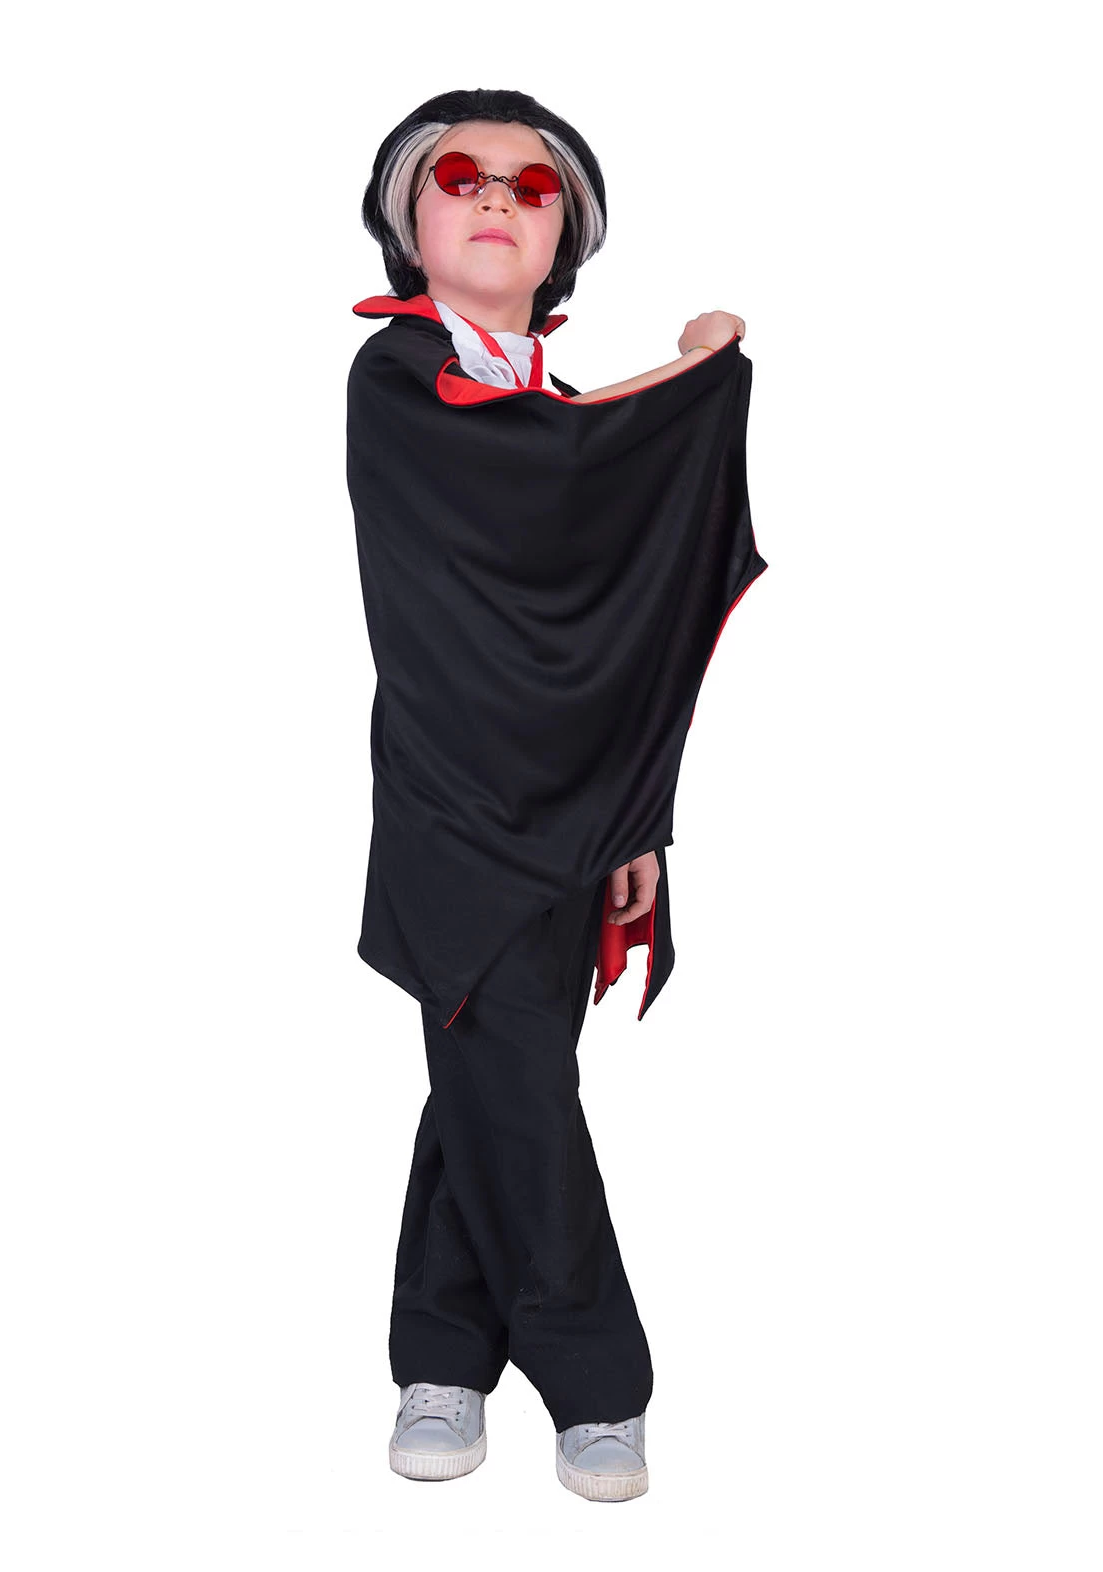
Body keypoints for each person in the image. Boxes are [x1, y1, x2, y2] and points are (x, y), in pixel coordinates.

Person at [347, 87, 763, 1504]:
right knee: (513, 1077)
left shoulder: (575, 417)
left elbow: (628, 639)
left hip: (579, 810)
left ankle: (441, 1357)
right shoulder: (404, 382)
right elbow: (542, 465)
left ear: (564, 235)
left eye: (530, 188)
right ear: (409, 222)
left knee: (485, 1082)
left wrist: (639, 818)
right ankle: (598, 1383)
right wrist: (696, 377)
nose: (495, 198)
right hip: (453, 808)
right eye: (461, 175)